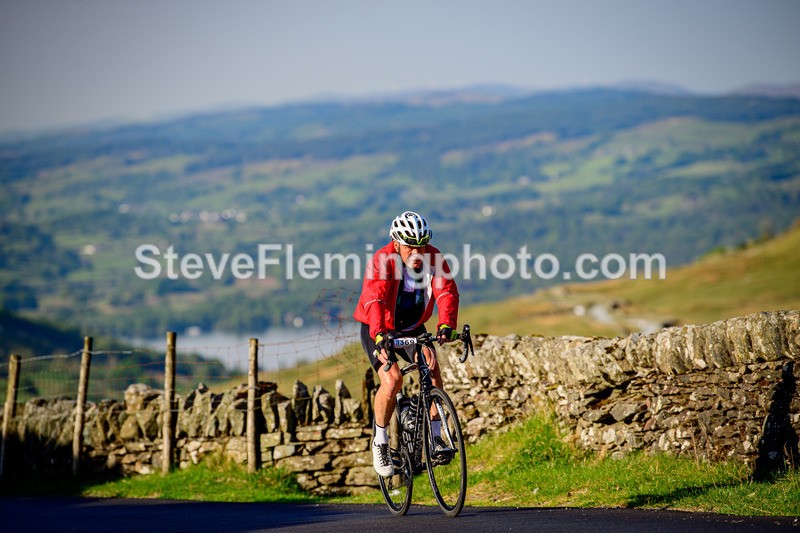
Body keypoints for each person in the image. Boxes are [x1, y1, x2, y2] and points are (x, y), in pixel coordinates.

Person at [353, 211, 460, 477]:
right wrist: (380, 335)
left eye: (421, 246)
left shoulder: (433, 258)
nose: (416, 252)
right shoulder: (382, 260)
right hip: (379, 328)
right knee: (392, 380)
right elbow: (374, 299)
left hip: (412, 327)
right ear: (397, 243)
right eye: (410, 246)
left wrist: (446, 324)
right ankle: (380, 441)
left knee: (432, 369)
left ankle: (436, 437)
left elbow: (446, 291)